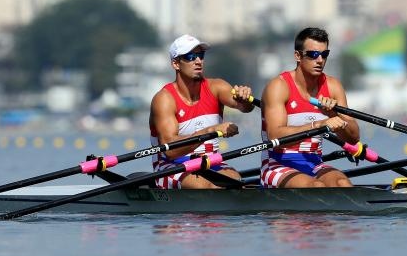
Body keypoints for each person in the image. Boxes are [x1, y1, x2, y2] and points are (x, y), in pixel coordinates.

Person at [149, 34, 254, 189]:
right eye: (190, 57)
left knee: (235, 181)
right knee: (203, 186)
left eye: (200, 55)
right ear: (176, 64)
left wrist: (245, 99)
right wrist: (211, 130)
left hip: (211, 162)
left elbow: (245, 108)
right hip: (170, 166)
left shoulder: (216, 87)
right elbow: (171, 151)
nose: (198, 61)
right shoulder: (164, 99)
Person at [260, 27, 360, 188]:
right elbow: (275, 137)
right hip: (276, 164)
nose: (320, 60)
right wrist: (318, 125)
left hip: (314, 162)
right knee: (316, 188)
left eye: (324, 54)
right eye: (313, 54)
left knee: (343, 184)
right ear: (297, 56)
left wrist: (334, 115)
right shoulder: (279, 86)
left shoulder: (333, 86)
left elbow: (353, 138)